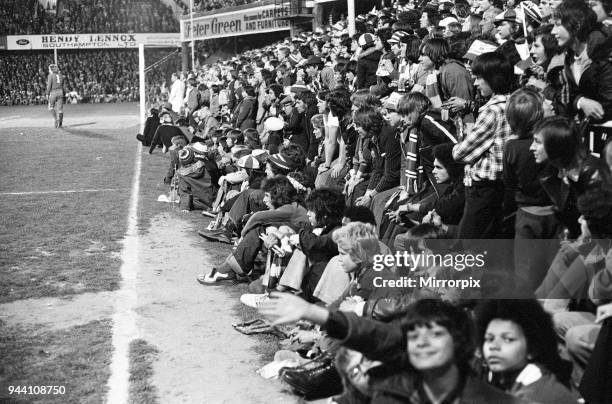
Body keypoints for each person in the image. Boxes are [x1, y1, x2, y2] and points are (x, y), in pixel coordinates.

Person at [258, 297, 523, 403]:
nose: (421, 342)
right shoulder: (395, 377)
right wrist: (314, 313)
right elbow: (378, 336)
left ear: (459, 343)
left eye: (435, 335)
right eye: (415, 334)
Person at [476, 300, 577, 404]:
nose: (494, 346)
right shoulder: (512, 382)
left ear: (532, 349)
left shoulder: (535, 394)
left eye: (508, 339)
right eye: (489, 339)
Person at [47, 64, 65, 128]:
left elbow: (49, 86)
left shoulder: (50, 75)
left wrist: (47, 94)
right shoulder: (61, 75)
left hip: (53, 92)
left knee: (51, 107)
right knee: (60, 109)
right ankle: (60, 124)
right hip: (60, 92)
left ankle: (55, 120)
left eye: (49, 69)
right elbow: (63, 84)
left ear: (51, 69)